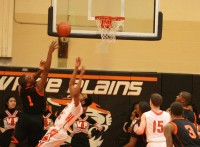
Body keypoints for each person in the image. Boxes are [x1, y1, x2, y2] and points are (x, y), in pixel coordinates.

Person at [10, 41, 58, 147]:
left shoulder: (20, 89)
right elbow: (47, 69)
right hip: (36, 119)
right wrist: (50, 52)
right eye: (29, 77)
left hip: (24, 117)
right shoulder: (39, 88)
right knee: (35, 145)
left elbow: (31, 80)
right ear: (28, 82)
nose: (32, 76)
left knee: (14, 141)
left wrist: (39, 71)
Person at [37, 57, 85, 147]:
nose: (79, 94)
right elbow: (71, 84)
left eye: (81, 95)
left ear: (84, 101)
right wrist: (76, 68)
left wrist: (81, 75)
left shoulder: (78, 108)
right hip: (57, 130)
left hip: (59, 130)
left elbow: (75, 94)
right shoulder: (72, 103)